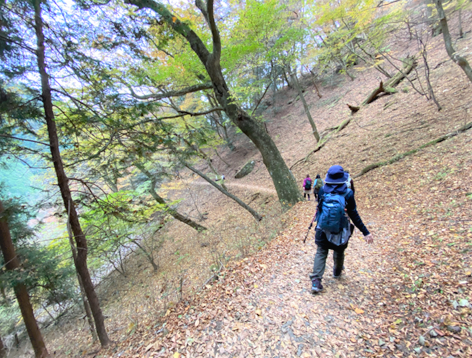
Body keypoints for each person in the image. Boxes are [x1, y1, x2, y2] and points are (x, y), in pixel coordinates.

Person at [309, 165, 373, 294]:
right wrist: (365, 232)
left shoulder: (322, 191)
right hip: (341, 229)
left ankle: (316, 281)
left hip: (322, 229)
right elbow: (354, 214)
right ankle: (337, 271)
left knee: (321, 252)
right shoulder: (348, 193)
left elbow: (319, 209)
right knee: (339, 251)